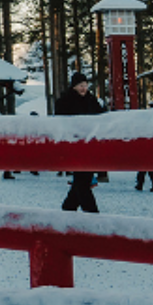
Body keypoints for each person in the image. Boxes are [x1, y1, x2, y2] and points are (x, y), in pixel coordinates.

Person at [55, 73, 105, 213]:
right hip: (74, 145)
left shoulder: (91, 100)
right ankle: (92, 214)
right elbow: (60, 121)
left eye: (85, 85)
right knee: (82, 181)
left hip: (90, 145)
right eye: (80, 86)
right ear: (74, 86)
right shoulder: (65, 101)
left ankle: (68, 208)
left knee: (81, 180)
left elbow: (101, 117)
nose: (83, 88)